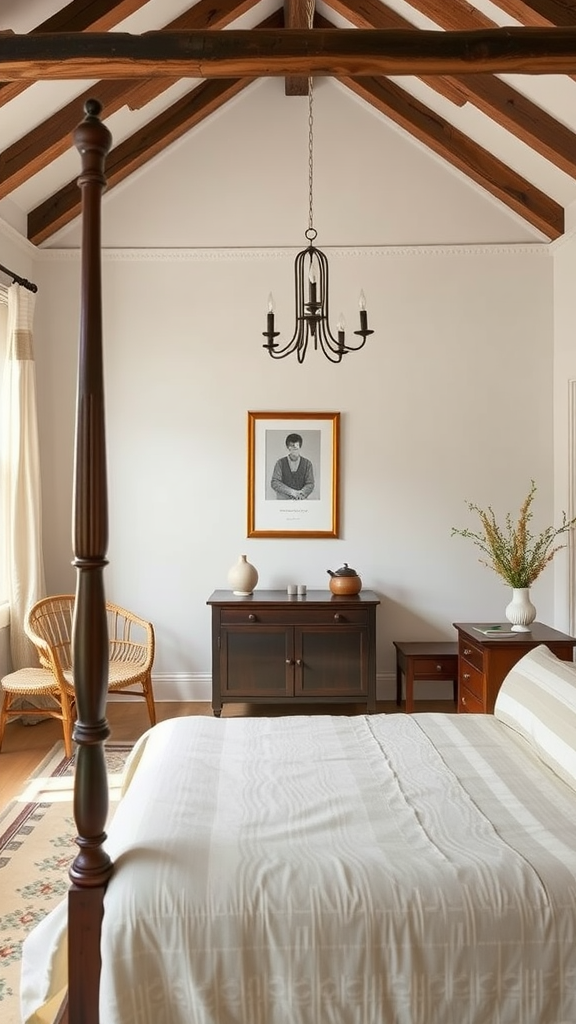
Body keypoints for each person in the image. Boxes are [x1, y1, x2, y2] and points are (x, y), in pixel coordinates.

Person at [270, 433, 315, 500]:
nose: (294, 449)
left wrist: (301, 493)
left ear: (300, 447)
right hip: (283, 502)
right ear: (288, 447)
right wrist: (292, 492)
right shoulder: (280, 463)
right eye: (291, 447)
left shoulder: (307, 464)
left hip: (302, 501)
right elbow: (275, 482)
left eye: (296, 447)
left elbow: (310, 483)